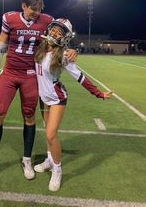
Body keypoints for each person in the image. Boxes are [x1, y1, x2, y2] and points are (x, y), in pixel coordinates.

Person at [0, 0, 77, 181]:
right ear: (23, 6)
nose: (36, 13)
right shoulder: (9, 18)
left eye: (39, 9)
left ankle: (27, 159)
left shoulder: (46, 19)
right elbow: (1, 47)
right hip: (9, 73)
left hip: (31, 75)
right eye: (33, 9)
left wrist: (71, 49)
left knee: (29, 116)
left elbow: (58, 36)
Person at [33, 18, 113, 191]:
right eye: (54, 29)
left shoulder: (63, 55)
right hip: (43, 98)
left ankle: (57, 169)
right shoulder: (40, 48)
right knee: (47, 131)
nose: (54, 33)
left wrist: (99, 93)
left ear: (65, 37)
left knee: (50, 135)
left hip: (56, 98)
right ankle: (49, 159)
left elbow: (80, 77)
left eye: (59, 32)